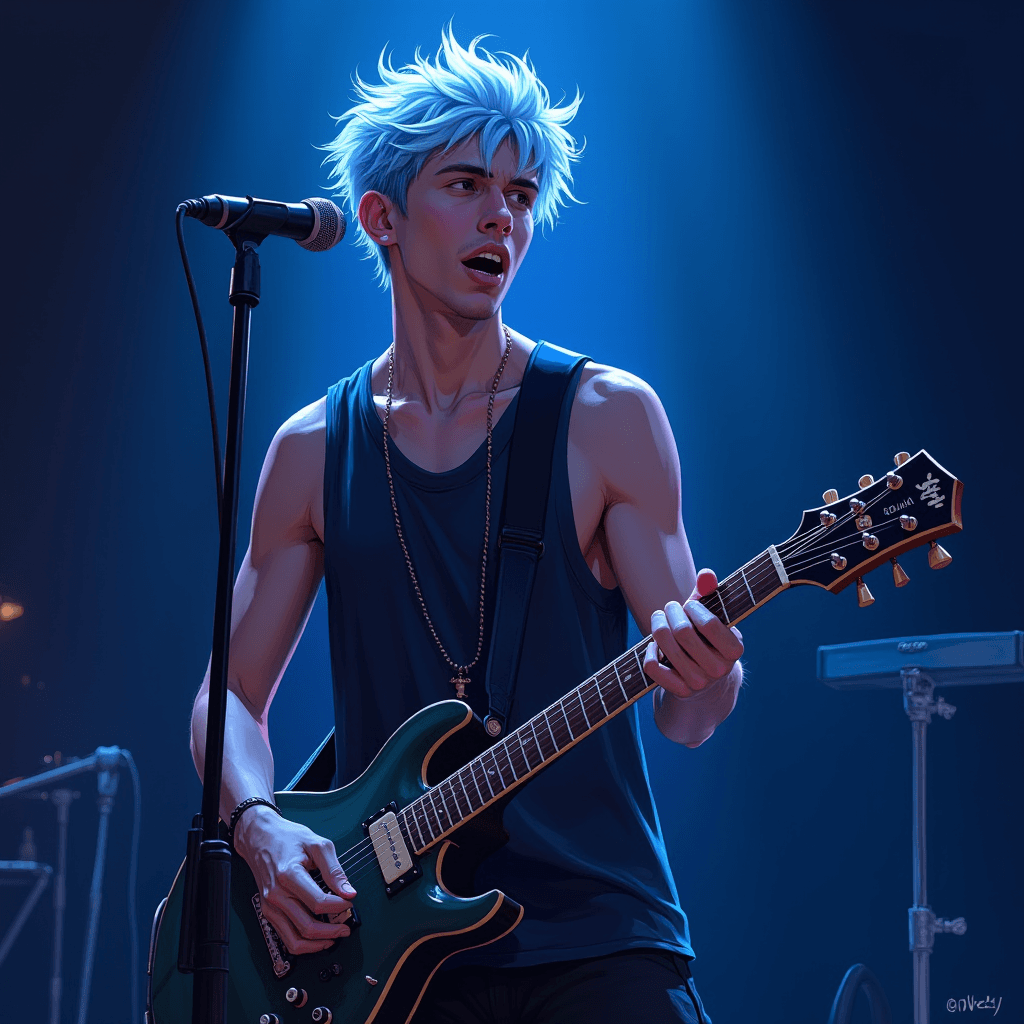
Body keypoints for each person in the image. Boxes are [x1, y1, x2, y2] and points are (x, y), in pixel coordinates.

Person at [190, 29, 744, 1024]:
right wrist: (264, 831)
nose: (501, 215)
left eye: (521, 195)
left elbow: (688, 717)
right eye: (465, 184)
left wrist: (709, 671)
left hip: (595, 936)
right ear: (381, 217)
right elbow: (225, 699)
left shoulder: (606, 417)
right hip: (385, 955)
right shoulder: (314, 446)